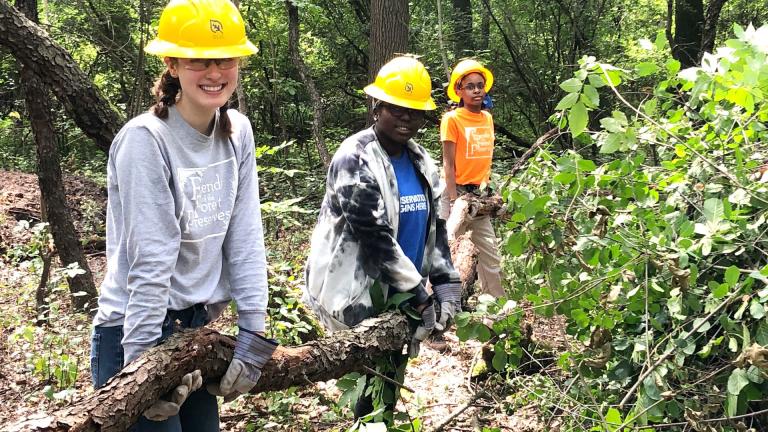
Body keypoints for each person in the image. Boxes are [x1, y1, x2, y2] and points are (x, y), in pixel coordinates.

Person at [90, 0, 277, 430]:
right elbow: (152, 258)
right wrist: (139, 370)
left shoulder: (238, 132)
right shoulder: (145, 140)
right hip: (133, 332)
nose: (214, 73)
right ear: (172, 62)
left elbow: (245, 235)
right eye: (198, 60)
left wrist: (253, 333)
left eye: (224, 58)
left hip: (194, 330)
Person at [303, 56, 462, 422]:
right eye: (396, 109)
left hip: (401, 295)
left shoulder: (421, 160)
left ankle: (379, 424)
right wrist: (421, 297)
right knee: (367, 382)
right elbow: (375, 240)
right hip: (357, 291)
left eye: (414, 112)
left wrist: (446, 279)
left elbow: (435, 226)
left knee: (388, 379)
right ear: (378, 107)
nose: (405, 118)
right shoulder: (354, 158)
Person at [440, 59, 505, 298]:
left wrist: (486, 192)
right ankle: (437, 307)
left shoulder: (487, 118)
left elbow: (484, 158)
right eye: (470, 86)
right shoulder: (452, 119)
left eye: (480, 85)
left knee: (491, 256)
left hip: (480, 198)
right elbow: (448, 161)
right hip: (454, 194)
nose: (476, 90)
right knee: (445, 251)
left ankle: (497, 311)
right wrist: (456, 198)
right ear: (459, 90)